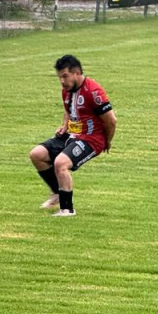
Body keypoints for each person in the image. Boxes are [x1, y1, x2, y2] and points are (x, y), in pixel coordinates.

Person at [28, 55, 117, 216]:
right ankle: (57, 192)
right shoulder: (67, 90)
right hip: (71, 135)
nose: (62, 81)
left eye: (65, 76)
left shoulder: (93, 92)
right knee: (36, 154)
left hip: (91, 139)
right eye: (59, 77)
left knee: (60, 163)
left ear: (76, 73)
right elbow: (68, 109)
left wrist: (107, 141)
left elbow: (111, 120)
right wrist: (64, 125)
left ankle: (67, 209)